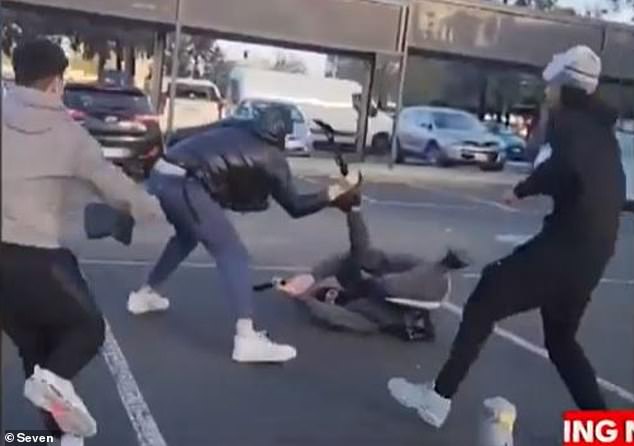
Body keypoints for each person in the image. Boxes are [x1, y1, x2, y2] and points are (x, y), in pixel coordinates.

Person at [388, 45, 626, 428]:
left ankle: (437, 398)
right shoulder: (602, 131)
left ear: (564, 88)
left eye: (550, 87)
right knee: (561, 341)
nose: (546, 93)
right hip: (595, 254)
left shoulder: (569, 123)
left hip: (566, 248)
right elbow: (591, 178)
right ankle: (607, 430)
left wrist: (522, 189)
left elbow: (563, 167)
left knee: (486, 296)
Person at [0, 40, 166, 445]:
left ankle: (57, 436)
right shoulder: (70, 135)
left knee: (37, 352)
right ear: (57, 83)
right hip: (39, 257)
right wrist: (152, 209)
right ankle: (55, 392)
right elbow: (115, 187)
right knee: (86, 329)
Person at [127, 106, 362, 363]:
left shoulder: (236, 128)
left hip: (162, 174)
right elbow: (295, 206)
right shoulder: (272, 158)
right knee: (233, 253)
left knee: (187, 236)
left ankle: (144, 294)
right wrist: (333, 193)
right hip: (186, 185)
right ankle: (246, 339)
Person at [277, 204, 470, 341]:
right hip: (401, 298)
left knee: (362, 261)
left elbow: (333, 314)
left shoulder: (362, 299)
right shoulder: (367, 310)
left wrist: (307, 292)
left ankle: (354, 210)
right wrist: (307, 296)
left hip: (401, 292)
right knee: (369, 267)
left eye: (329, 293)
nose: (332, 293)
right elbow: (332, 315)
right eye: (331, 296)